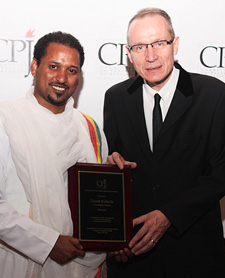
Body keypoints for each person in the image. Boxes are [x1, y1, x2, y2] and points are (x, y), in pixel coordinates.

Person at [103, 7, 225, 278]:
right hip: (134, 256)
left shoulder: (214, 95)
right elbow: (116, 170)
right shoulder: (115, 97)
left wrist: (169, 214)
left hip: (196, 254)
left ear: (176, 45)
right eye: (140, 47)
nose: (150, 56)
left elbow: (220, 174)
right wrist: (112, 164)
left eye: (159, 43)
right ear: (128, 53)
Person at [0, 31, 108, 278]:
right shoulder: (6, 118)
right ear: (34, 66)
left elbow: (100, 200)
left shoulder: (90, 128)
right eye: (53, 66)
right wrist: (47, 243)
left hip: (82, 266)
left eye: (72, 70)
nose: (62, 77)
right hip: (20, 263)